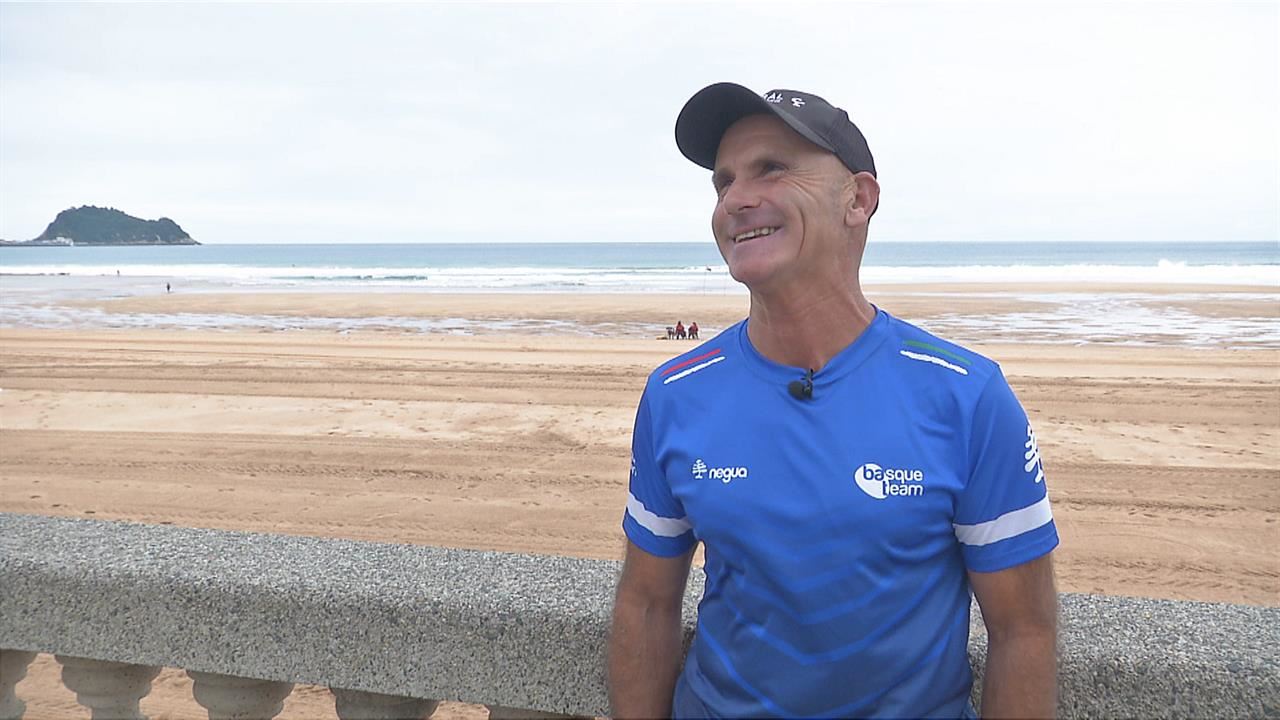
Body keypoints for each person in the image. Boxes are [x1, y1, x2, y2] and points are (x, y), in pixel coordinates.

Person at [608, 83, 1059, 719]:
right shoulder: (676, 393)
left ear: (858, 199)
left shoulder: (966, 396)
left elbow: (1024, 631)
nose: (736, 199)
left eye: (772, 168)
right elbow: (647, 604)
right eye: (723, 181)